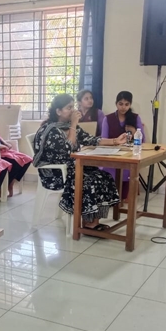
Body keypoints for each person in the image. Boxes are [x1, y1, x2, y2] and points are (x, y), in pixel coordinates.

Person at [33, 94, 126, 230]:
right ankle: (88, 223)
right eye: (68, 108)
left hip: (71, 168)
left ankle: (93, 221)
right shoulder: (51, 130)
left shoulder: (68, 126)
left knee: (103, 176)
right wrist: (74, 124)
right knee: (88, 181)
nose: (73, 111)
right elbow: (68, 149)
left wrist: (114, 141)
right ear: (58, 111)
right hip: (55, 174)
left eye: (73, 107)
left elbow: (89, 139)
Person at [101, 91, 144, 199]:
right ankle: (110, 195)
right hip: (112, 154)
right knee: (107, 169)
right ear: (116, 104)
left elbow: (142, 140)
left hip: (129, 154)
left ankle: (122, 196)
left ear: (130, 105)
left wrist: (133, 131)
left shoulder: (135, 118)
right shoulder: (108, 118)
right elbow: (103, 139)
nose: (123, 107)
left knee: (128, 168)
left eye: (126, 104)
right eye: (120, 104)